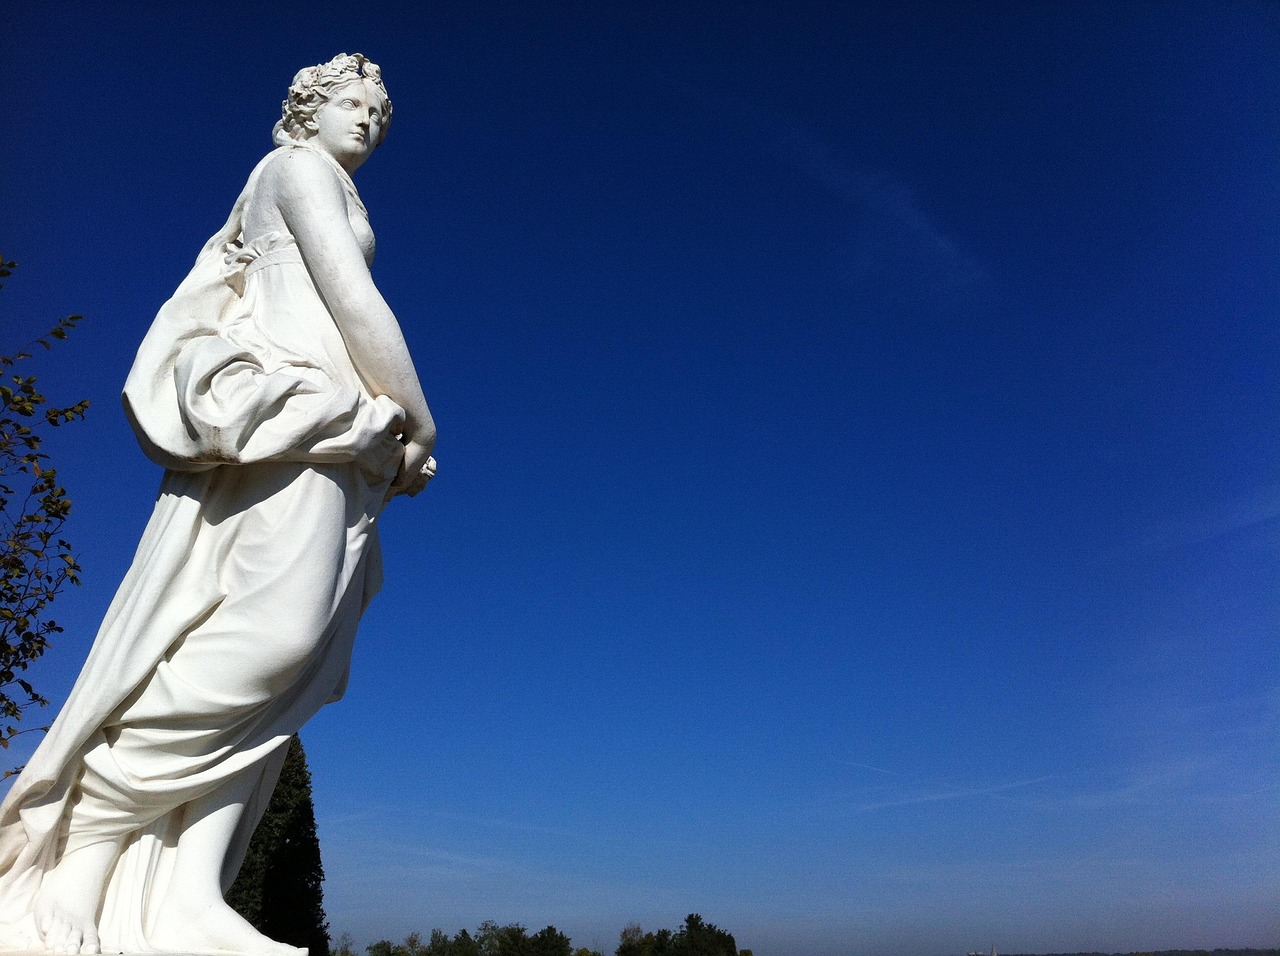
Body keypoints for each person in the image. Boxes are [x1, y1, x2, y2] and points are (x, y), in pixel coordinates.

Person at [0, 53, 434, 956]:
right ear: (308, 109)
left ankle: (191, 890)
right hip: (300, 411)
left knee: (295, 664)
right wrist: (419, 422)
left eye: (379, 114)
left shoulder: (333, 184)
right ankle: (86, 841)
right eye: (353, 103)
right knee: (269, 641)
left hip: (344, 427)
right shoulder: (294, 169)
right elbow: (353, 299)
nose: (368, 121)